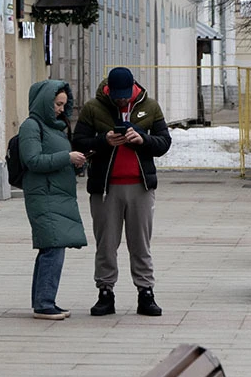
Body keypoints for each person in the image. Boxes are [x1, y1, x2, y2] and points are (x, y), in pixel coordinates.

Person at [72, 67, 171, 317]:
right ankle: (105, 291)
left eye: (125, 95)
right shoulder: (93, 108)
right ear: (109, 90)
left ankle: (145, 292)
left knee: (141, 243)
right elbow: (78, 143)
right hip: (105, 187)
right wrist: (102, 141)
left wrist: (142, 140)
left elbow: (164, 143)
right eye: (117, 95)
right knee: (106, 243)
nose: (121, 99)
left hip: (140, 186)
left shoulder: (150, 106)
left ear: (133, 89)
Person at [20, 80, 90, 320]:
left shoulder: (53, 127)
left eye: (63, 104)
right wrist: (66, 157)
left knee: (51, 247)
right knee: (53, 247)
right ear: (45, 103)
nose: (61, 109)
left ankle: (43, 300)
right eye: (57, 104)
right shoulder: (31, 126)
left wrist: (74, 161)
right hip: (43, 195)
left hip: (55, 194)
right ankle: (44, 303)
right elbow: (33, 160)